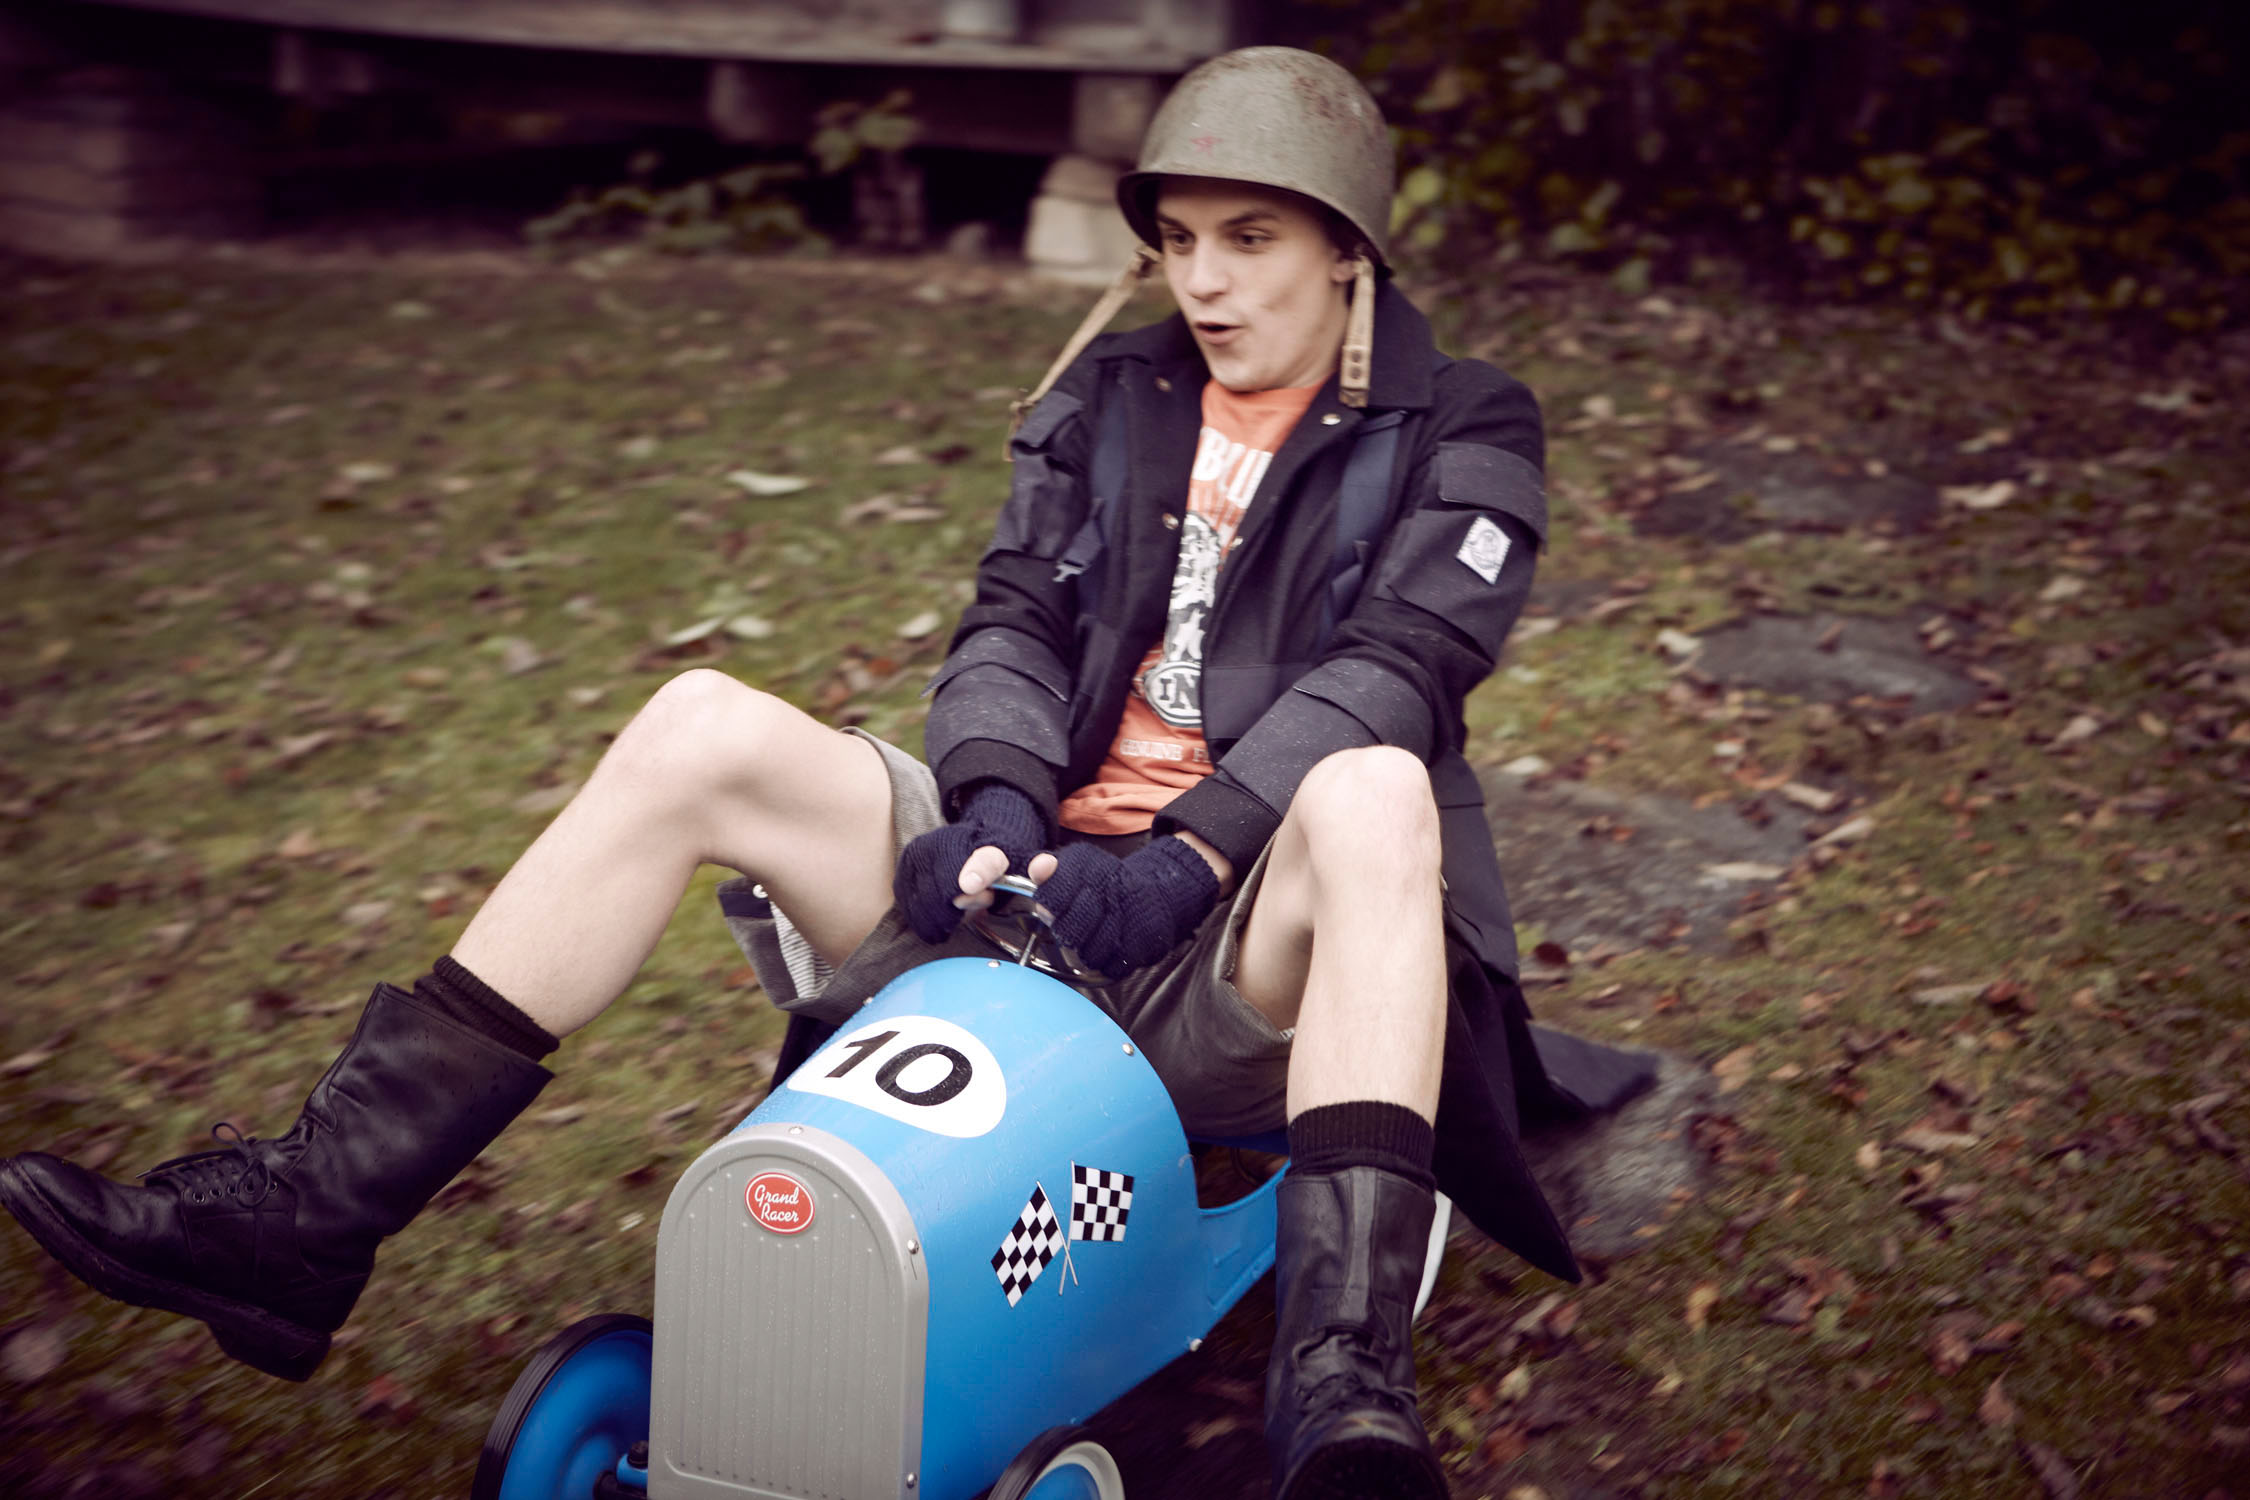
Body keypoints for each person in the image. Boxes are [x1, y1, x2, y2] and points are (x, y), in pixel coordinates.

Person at [0, 47, 1651, 1500]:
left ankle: (1343, 1385)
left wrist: (1191, 854)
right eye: (1178, 240)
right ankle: (306, 1216)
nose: (1203, 282)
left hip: (1244, 940)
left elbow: (1399, 666)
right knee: (699, 723)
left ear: (1347, 244)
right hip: (1042, 886)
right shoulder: (1115, 391)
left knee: (1371, 787)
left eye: (1251, 238)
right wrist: (994, 798)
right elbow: (1011, 618)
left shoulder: (1466, 422)